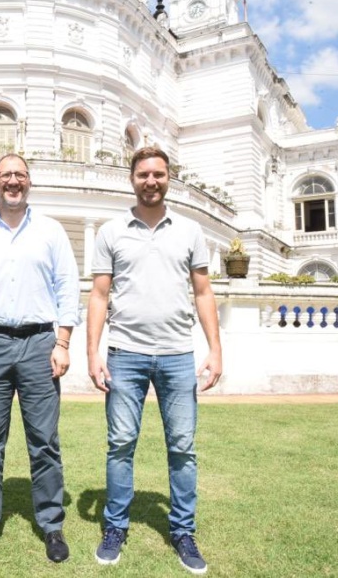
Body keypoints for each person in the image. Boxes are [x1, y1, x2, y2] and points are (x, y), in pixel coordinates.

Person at [87, 146, 222, 573]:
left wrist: (215, 350)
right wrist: (92, 352)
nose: (151, 181)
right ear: (132, 179)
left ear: (168, 179)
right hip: (124, 353)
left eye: (158, 174)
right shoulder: (111, 231)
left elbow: (203, 292)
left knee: (182, 447)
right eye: (144, 174)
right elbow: (99, 295)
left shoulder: (189, 231)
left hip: (178, 354)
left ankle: (183, 531)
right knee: (120, 445)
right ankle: (115, 527)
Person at [0, 153, 80, 563]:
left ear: (29, 182)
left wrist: (63, 342)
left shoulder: (51, 231)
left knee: (44, 441)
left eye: (19, 175)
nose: (12, 181)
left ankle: (52, 525)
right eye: (5, 175)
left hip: (39, 343)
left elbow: (68, 287)